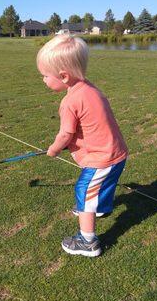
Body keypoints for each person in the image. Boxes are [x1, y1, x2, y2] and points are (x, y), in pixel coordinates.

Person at [37, 35, 128, 257]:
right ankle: (97, 208)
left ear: (63, 76)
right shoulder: (88, 88)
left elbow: (66, 133)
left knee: (84, 190)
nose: (43, 80)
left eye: (45, 76)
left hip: (103, 157)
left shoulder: (69, 102)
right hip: (117, 153)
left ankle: (88, 242)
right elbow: (90, 123)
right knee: (100, 186)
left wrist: (55, 149)